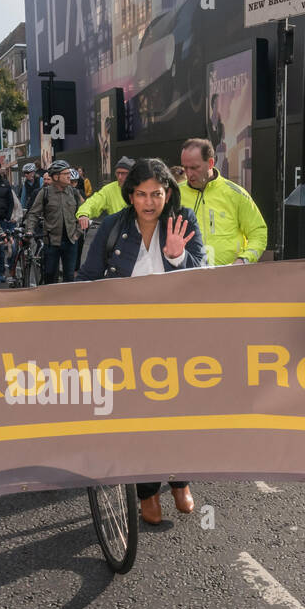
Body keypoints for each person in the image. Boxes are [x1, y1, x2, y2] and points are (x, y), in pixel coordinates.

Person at [77, 158, 207, 524]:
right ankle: (148, 492)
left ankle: (180, 481)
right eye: (141, 194)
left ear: (168, 193)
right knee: (143, 417)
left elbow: (202, 274)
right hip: (125, 338)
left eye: (157, 193)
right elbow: (87, 277)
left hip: (175, 335)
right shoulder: (114, 227)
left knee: (178, 414)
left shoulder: (183, 221)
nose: (149, 202)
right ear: (129, 195)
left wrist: (177, 255)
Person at [179, 139, 267, 265]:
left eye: (194, 167)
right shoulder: (175, 195)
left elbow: (258, 233)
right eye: (185, 168)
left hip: (230, 278)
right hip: (187, 277)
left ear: (210, 163)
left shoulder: (235, 194)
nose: (189, 174)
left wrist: (244, 260)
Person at [25, 160, 84, 285]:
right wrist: (29, 229)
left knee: (69, 276)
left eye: (69, 173)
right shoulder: (45, 193)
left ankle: (68, 303)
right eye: (65, 173)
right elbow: (33, 214)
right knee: (50, 276)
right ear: (56, 177)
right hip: (51, 242)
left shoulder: (74, 192)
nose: (69, 175)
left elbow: (83, 212)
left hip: (71, 241)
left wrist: (77, 233)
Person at [76, 155, 133, 235]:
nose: (120, 177)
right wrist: (83, 214)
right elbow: (94, 201)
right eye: (118, 173)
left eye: (124, 173)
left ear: (132, 174)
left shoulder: (142, 187)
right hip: (118, 234)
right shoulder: (109, 189)